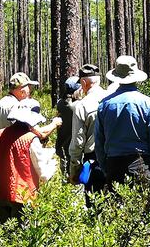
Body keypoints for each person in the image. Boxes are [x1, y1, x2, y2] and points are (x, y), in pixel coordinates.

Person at [95, 55, 150, 187]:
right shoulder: (148, 103)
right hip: (142, 166)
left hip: (114, 167)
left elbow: (99, 142)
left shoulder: (104, 105)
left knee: (115, 206)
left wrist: (106, 168)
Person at [0, 108, 58, 223]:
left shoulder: (0, 133)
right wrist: (53, 164)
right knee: (21, 236)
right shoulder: (31, 138)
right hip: (23, 195)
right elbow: (43, 173)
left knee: (2, 234)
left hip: (0, 190)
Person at [0, 72, 60, 172]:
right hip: (12, 164)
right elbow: (41, 133)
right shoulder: (17, 108)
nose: (30, 91)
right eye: (29, 87)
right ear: (22, 90)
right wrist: (55, 123)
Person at [68, 64, 108, 204]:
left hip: (93, 162)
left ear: (84, 82)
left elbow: (78, 143)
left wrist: (75, 170)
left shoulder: (82, 106)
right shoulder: (112, 99)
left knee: (95, 207)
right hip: (116, 159)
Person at [55, 76, 81, 178]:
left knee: (65, 176)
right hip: (73, 149)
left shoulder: (60, 103)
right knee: (75, 179)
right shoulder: (75, 106)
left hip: (62, 146)